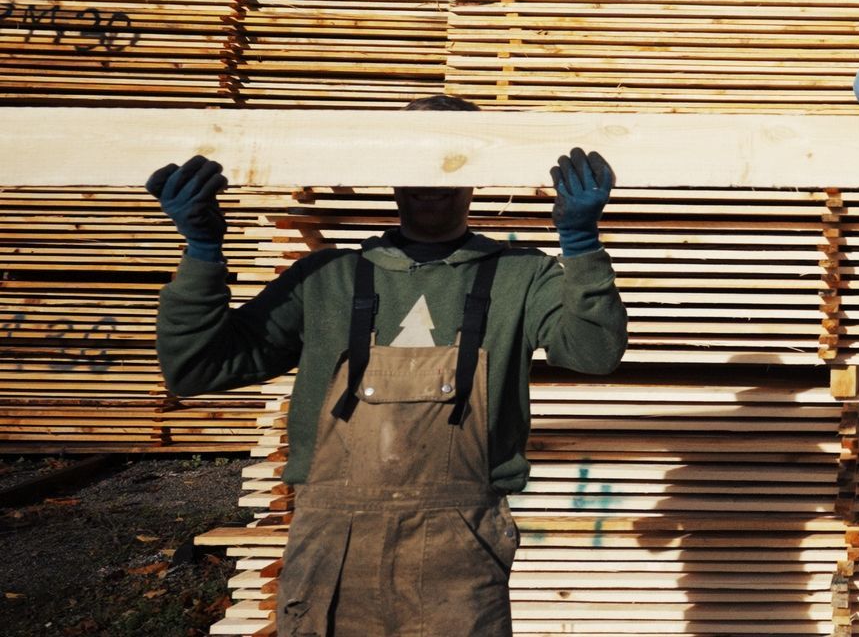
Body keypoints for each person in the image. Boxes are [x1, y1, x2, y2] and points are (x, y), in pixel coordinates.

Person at [148, 95, 628, 636]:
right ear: (388, 169)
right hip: (330, 545)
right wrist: (202, 253)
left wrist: (581, 246)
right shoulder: (325, 278)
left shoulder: (524, 276)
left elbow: (594, 352)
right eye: (414, 158)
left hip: (460, 549)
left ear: (476, 173)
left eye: (450, 159)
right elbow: (197, 368)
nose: (431, 179)